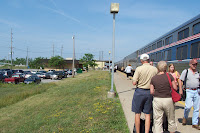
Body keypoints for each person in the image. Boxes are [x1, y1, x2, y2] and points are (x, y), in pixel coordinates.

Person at [132, 53, 158, 133]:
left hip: (139, 92)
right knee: (147, 114)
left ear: (141, 60)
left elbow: (134, 82)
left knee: (137, 113)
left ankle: (138, 131)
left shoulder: (139, 69)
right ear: (148, 60)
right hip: (150, 92)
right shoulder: (154, 69)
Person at [150, 61, 177, 133]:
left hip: (157, 100)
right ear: (165, 68)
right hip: (168, 99)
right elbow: (175, 88)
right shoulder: (169, 76)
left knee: (158, 120)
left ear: (157, 68)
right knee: (171, 119)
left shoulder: (153, 78)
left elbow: (151, 92)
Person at [179, 59, 200, 130]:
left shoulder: (198, 72)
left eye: (196, 64)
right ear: (190, 64)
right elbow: (180, 80)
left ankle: (195, 123)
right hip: (189, 90)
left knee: (196, 108)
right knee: (188, 106)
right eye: (193, 64)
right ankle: (185, 117)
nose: (195, 66)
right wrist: (181, 89)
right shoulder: (186, 71)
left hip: (197, 91)